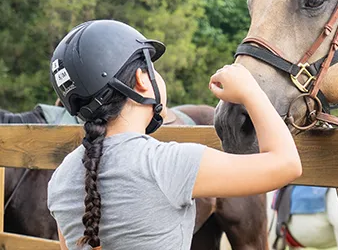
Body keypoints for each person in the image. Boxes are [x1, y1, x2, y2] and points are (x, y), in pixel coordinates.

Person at [46, 19, 302, 250]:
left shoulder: (61, 179)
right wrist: (250, 90)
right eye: (152, 67)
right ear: (141, 79)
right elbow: (287, 164)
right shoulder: (166, 164)